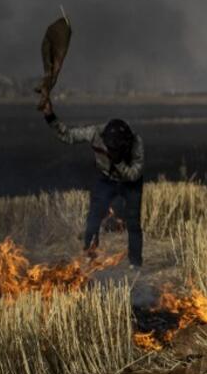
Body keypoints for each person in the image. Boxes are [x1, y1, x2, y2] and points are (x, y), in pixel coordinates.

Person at [39, 98, 144, 268]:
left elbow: (134, 174)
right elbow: (68, 135)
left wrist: (118, 162)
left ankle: (135, 263)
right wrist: (50, 117)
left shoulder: (136, 142)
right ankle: (90, 256)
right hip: (105, 178)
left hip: (130, 182)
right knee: (94, 218)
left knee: (133, 222)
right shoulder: (95, 133)